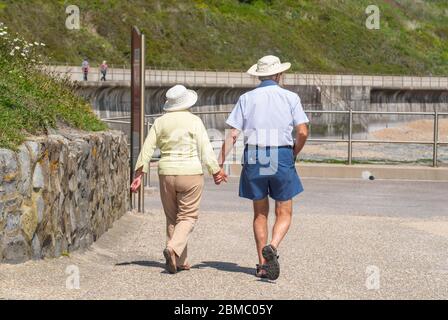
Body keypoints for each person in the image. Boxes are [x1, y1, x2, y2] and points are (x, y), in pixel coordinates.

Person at [218, 55, 309, 280]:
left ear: (259, 76)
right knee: (284, 211)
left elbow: (233, 133)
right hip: (281, 153)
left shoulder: (246, 98)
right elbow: (303, 131)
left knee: (260, 213)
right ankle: (274, 247)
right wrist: (294, 152)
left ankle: (262, 265)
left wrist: (219, 163)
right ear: (279, 74)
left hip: (255, 153)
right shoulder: (290, 97)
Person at [131, 84, 227, 274]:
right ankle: (173, 249)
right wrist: (215, 171)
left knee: (172, 217)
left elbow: (148, 147)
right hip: (190, 173)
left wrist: (139, 173)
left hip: (166, 173)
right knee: (188, 217)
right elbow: (205, 149)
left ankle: (179, 260)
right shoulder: (194, 121)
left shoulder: (160, 122)